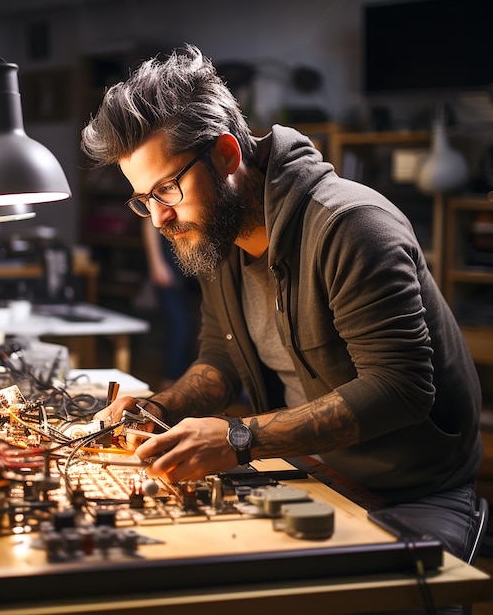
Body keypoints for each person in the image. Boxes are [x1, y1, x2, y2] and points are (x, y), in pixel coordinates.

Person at [80, 43, 484, 598]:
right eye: (142, 200)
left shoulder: (350, 226)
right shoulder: (215, 234)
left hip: (414, 491)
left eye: (167, 189)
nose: (159, 219)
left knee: (361, 602)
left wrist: (240, 437)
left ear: (225, 155)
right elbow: (221, 358)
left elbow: (401, 388)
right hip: (311, 470)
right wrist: (162, 406)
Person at [141, 218, 195, 390]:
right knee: (180, 328)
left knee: (196, 330)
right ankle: (169, 388)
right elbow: (150, 223)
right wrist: (156, 263)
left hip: (194, 268)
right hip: (169, 265)